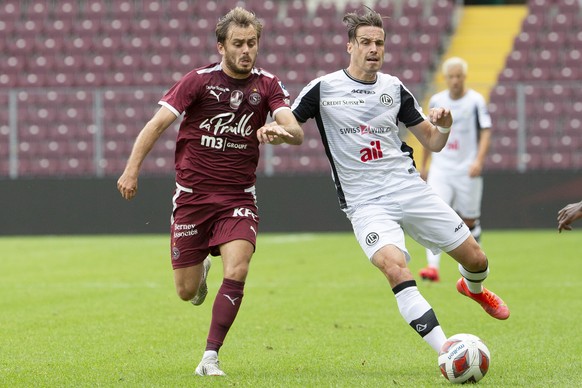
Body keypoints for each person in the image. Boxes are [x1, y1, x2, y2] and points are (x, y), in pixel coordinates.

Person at [291, 7, 509, 355]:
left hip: (408, 189)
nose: (374, 49)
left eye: (379, 42)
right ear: (350, 46)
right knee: (395, 267)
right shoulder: (323, 88)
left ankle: (474, 289)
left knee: (477, 260)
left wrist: (445, 124)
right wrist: (276, 131)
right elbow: (291, 123)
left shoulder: (394, 88)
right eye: (366, 42)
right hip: (366, 204)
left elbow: (433, 142)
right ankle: (446, 350)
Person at [117, 7, 303, 377]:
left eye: (252, 43)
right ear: (221, 46)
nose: (246, 50)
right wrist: (131, 169)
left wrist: (282, 133)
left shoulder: (267, 85)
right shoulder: (198, 81)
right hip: (192, 199)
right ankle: (200, 269)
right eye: (238, 44)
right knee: (186, 292)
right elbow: (156, 125)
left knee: (239, 267)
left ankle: (210, 357)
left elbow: (295, 130)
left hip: (237, 199)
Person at [418, 57, 492, 282]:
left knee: (470, 221)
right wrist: (424, 166)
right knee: (434, 215)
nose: (455, 80)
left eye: (459, 76)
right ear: (446, 78)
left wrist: (478, 161)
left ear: (464, 77)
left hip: (467, 169)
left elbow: (486, 131)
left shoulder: (475, 101)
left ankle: (472, 268)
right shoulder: (437, 101)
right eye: (451, 76)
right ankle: (432, 267)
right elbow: (429, 133)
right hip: (442, 168)